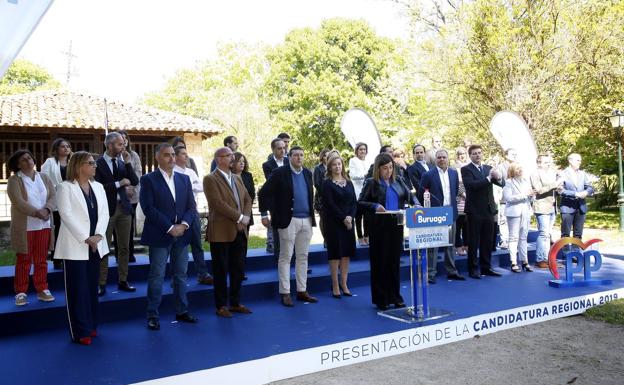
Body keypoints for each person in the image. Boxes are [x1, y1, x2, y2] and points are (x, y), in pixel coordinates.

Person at [141, 143, 199, 330]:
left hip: (182, 235)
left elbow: (191, 207)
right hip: (160, 235)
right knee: (157, 275)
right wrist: (169, 227)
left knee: (181, 274)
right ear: (157, 157)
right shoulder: (148, 179)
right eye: (167, 155)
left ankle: (182, 311)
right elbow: (148, 208)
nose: (172, 158)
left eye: (173, 155)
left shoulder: (184, 179)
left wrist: (183, 225)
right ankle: (152, 314)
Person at [55, 151, 109, 345]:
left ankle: (92, 325)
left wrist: (98, 236)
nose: (95, 166)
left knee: (91, 288)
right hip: (75, 246)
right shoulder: (65, 187)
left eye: (94, 163)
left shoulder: (99, 187)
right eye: (91, 163)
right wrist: (86, 238)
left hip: (95, 245)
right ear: (79, 166)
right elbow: (66, 215)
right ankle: (80, 331)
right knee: (77, 290)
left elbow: (105, 213)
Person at [258, 146, 318, 307]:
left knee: (303, 256)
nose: (299, 158)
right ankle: (285, 292)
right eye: (296, 155)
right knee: (285, 257)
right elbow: (263, 193)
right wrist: (265, 214)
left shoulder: (307, 173)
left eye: (301, 155)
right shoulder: (280, 173)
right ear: (289, 157)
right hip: (288, 221)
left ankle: (302, 290)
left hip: (306, 220)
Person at [358, 153, 418, 311]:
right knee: (380, 262)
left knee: (394, 262)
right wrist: (375, 206)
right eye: (385, 168)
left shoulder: (398, 180)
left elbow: (410, 196)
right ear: (378, 169)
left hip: (396, 225)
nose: (389, 171)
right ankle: (381, 298)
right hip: (379, 227)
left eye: (391, 167)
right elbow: (361, 202)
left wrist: (417, 205)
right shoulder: (371, 183)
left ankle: (395, 296)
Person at [204, 147, 253, 318]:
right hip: (221, 231)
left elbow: (247, 198)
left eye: (233, 155)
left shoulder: (237, 178)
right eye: (229, 156)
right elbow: (217, 204)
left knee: (238, 269)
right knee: (220, 269)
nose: (233, 158)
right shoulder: (210, 179)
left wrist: (245, 217)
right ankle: (221, 306)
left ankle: (235, 302)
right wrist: (240, 217)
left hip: (240, 230)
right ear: (219, 159)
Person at [7, 149, 56, 306]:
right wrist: (36, 212)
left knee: (41, 260)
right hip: (25, 227)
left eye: (29, 157)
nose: (28, 161)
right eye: (23, 160)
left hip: (44, 225)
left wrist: (47, 209)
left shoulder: (44, 177)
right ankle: (21, 292)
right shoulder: (15, 181)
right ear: (17, 165)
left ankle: (42, 288)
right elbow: (18, 202)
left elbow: (53, 196)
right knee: (24, 259)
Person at [95, 132, 139, 296]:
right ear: (110, 145)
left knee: (124, 247)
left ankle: (123, 280)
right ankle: (101, 283)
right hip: (106, 211)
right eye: (120, 144)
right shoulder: (98, 163)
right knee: (104, 247)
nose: (123, 147)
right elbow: (97, 187)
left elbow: (134, 180)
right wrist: (118, 183)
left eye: (123, 143)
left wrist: (127, 163)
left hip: (125, 209)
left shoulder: (122, 162)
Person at [417, 149, 465, 283]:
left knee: (450, 244)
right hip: (435, 214)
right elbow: (421, 194)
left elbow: (455, 191)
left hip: (450, 212)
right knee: (434, 245)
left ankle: (451, 271)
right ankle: (430, 274)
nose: (441, 159)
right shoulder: (428, 175)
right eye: (439, 158)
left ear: (448, 158)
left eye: (444, 157)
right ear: (435, 159)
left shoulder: (454, 173)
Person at [461, 145, 505, 279]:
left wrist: (498, 178)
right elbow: (471, 186)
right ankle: (473, 269)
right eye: (474, 153)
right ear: (470, 155)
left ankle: (486, 267)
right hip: (474, 210)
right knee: (473, 241)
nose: (478, 155)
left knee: (487, 241)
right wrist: (488, 178)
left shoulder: (488, 168)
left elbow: (501, 185)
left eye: (479, 153)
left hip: (488, 209)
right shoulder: (466, 169)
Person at [174, 146, 214, 285]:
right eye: (183, 154)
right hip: (179, 214)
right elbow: (179, 191)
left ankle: (202, 273)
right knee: (180, 247)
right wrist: (191, 186)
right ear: (176, 156)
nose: (186, 156)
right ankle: (178, 278)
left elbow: (200, 187)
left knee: (197, 244)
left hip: (193, 211)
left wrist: (188, 186)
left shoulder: (190, 171)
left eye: (187, 154)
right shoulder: (172, 172)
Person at [322, 154, 357, 298]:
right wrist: (343, 218)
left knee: (346, 253)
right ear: (330, 167)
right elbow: (329, 204)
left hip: (348, 222)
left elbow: (354, 202)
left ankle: (344, 283)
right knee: (335, 253)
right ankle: (335, 284)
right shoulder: (327, 183)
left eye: (339, 164)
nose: (337, 167)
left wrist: (350, 217)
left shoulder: (348, 182)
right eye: (334, 164)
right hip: (334, 223)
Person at [41, 137, 71, 269]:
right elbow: (44, 180)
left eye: (68, 146)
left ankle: (69, 256)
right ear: (56, 149)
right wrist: (58, 187)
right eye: (63, 146)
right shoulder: (50, 162)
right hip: (57, 199)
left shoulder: (73, 161)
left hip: (71, 200)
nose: (66, 149)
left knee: (70, 229)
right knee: (58, 229)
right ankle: (57, 257)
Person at [530, 155, 562, 268]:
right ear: (539, 163)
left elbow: (555, 189)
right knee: (543, 233)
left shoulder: (552, 173)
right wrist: (555, 184)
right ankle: (540, 259)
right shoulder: (535, 174)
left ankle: (548, 259)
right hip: (542, 207)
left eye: (549, 162)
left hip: (552, 206)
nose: (549, 164)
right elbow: (538, 190)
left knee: (548, 234)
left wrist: (559, 188)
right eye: (546, 162)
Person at [502, 162, 535, 273]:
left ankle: (525, 261)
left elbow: (529, 197)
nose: (520, 170)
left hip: (525, 211)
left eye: (521, 168)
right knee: (514, 237)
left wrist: (531, 196)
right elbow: (508, 198)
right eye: (517, 169)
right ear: (512, 171)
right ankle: (513, 262)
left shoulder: (526, 181)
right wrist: (524, 195)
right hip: (514, 212)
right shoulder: (508, 182)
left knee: (523, 238)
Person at [558, 153, 594, 242]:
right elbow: (560, 191)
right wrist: (576, 194)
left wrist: (586, 192)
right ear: (570, 160)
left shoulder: (583, 173)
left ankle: (577, 253)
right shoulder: (562, 174)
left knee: (578, 234)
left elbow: (590, 187)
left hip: (581, 207)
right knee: (565, 234)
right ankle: (566, 254)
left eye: (580, 160)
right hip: (567, 207)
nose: (580, 162)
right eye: (578, 160)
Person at [118, 130, 142, 263]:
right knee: (117, 226)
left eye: (125, 138)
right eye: (120, 139)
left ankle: (130, 253)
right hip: (117, 195)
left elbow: (138, 173)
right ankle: (119, 254)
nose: (123, 141)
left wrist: (131, 188)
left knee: (129, 225)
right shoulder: (114, 156)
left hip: (132, 195)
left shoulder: (133, 155)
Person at [262, 138, 289, 255]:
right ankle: (279, 263)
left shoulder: (290, 161)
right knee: (278, 236)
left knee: (293, 236)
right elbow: (273, 183)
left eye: (284, 148)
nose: (282, 151)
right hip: (276, 204)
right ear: (273, 149)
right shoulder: (267, 165)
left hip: (291, 203)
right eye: (279, 148)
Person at [231, 152, 255, 280]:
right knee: (232, 244)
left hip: (246, 215)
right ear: (232, 163)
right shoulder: (228, 176)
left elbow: (251, 195)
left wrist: (245, 214)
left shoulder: (248, 176)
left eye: (243, 161)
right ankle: (233, 269)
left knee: (243, 244)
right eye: (239, 161)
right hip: (232, 216)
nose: (242, 163)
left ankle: (241, 271)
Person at [496, 148, 518, 249]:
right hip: (504, 198)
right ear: (506, 155)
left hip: (516, 198)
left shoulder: (518, 166)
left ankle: (512, 240)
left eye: (515, 154)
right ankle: (503, 240)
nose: (514, 156)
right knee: (503, 220)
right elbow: (498, 182)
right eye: (512, 154)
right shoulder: (500, 167)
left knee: (515, 221)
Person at [453, 147, 469, 256]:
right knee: (458, 227)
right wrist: (464, 194)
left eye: (464, 153)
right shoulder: (454, 167)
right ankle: (458, 247)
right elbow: (457, 184)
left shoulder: (468, 165)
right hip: (459, 200)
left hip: (469, 201)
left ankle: (466, 246)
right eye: (460, 154)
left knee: (467, 226)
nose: (462, 155)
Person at [313, 149, 329, 247]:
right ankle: (326, 240)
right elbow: (317, 183)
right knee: (323, 219)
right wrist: (326, 193)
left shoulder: (332, 167)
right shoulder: (318, 168)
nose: (327, 157)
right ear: (322, 157)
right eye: (325, 156)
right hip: (321, 198)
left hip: (333, 197)